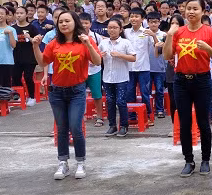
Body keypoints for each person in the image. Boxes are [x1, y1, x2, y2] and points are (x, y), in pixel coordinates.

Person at [32, 11, 101, 180]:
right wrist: (35, 46)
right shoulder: (54, 43)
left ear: (74, 22)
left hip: (77, 90)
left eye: (67, 21)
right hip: (57, 91)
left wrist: (89, 45)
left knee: (76, 127)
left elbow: (97, 61)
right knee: (61, 128)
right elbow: (43, 62)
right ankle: (63, 163)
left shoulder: (85, 41)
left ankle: (80, 162)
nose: (63, 24)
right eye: (60, 21)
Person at [163, 0, 212, 177]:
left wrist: (208, 49)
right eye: (188, 8)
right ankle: (188, 160)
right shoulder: (179, 32)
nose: (191, 12)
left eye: (195, 9)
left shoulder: (210, 32)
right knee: (185, 122)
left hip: (202, 80)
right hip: (181, 81)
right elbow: (167, 55)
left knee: (204, 122)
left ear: (203, 11)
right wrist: (169, 35)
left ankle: (206, 159)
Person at [99, 18, 135, 137]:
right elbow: (95, 59)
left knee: (120, 101)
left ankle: (124, 126)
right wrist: (100, 56)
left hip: (121, 78)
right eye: (110, 28)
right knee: (110, 101)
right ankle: (112, 126)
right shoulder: (103, 43)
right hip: (107, 78)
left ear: (120, 29)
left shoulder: (125, 42)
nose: (112, 30)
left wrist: (119, 55)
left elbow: (133, 58)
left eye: (115, 28)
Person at [125, 8, 154, 122]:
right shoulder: (126, 32)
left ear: (142, 19)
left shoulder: (147, 32)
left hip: (143, 68)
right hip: (129, 68)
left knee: (145, 93)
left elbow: (157, 45)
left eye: (137, 16)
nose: (134, 18)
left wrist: (154, 35)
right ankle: (132, 116)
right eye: (132, 16)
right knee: (129, 93)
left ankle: (147, 116)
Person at [79, 13, 105, 127]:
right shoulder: (75, 37)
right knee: (79, 94)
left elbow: (103, 48)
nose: (84, 25)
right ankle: (81, 115)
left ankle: (99, 117)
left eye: (86, 23)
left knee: (97, 94)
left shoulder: (96, 36)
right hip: (80, 70)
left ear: (90, 24)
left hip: (94, 70)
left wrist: (100, 55)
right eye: (82, 23)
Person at [146, 12, 168, 119]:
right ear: (147, 22)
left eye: (155, 22)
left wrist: (154, 36)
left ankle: (160, 109)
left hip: (160, 67)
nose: (153, 24)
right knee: (147, 91)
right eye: (151, 22)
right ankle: (148, 110)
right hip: (146, 67)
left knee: (159, 90)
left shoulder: (164, 35)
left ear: (159, 23)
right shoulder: (143, 34)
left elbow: (160, 50)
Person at [0, 6, 17, 91]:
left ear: (6, 16)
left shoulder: (12, 29)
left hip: (7, 61)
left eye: (2, 14)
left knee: (6, 85)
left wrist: (10, 34)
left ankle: (7, 103)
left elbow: (13, 45)